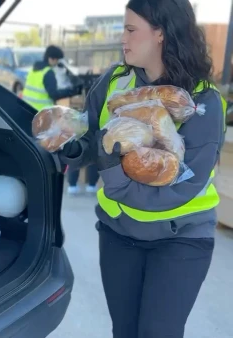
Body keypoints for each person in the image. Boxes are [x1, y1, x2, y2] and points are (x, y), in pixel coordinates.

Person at [56, 1, 227, 337]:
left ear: (161, 32)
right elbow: (94, 137)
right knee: (125, 331)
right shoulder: (115, 81)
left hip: (180, 238)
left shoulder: (202, 102)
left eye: (131, 29)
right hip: (119, 234)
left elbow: (180, 186)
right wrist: (74, 149)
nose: (123, 38)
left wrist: (111, 170)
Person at [21, 45, 82, 111]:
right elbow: (54, 94)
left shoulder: (33, 70)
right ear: (51, 59)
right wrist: (72, 91)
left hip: (27, 109)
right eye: (57, 60)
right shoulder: (48, 72)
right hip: (41, 112)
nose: (57, 62)